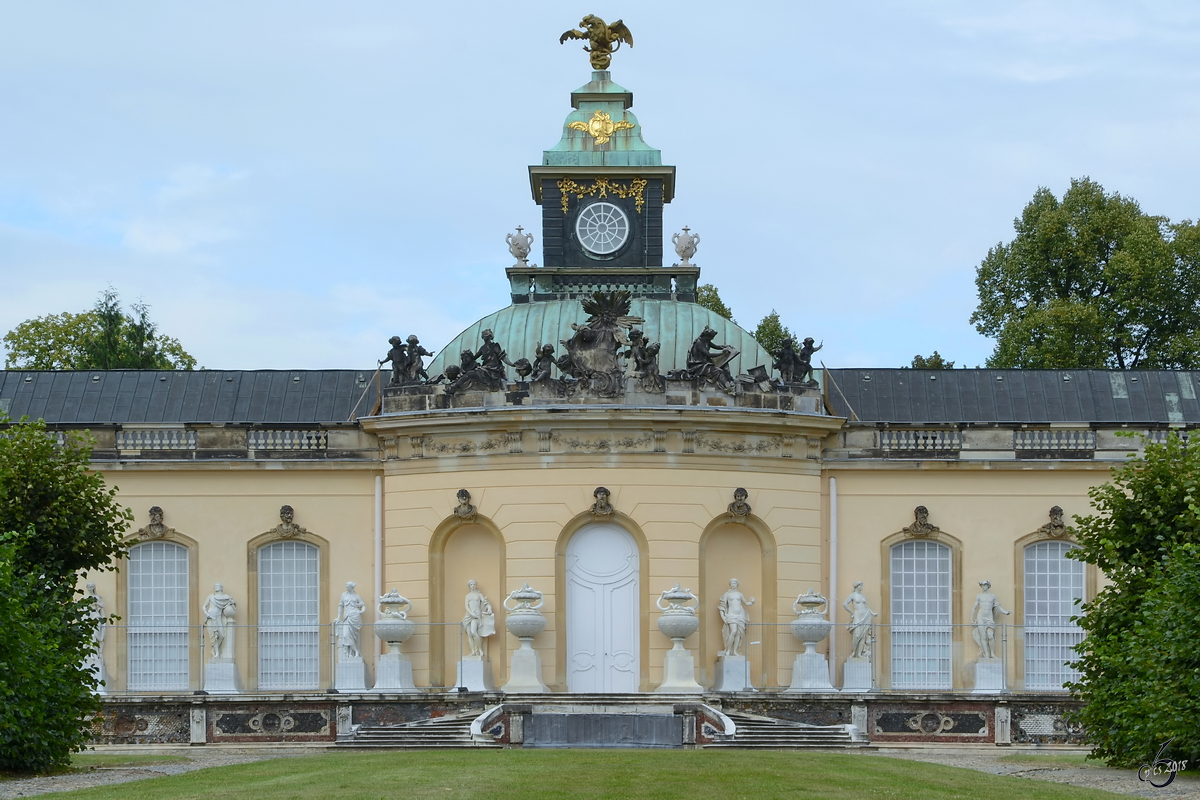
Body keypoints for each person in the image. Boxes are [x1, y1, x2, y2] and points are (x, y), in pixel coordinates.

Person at [971, 580, 1010, 660]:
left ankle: (992, 653)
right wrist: (971, 619)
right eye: (982, 585)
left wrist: (1005, 612)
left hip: (989, 617)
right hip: (981, 616)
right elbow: (974, 608)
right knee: (983, 636)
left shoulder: (992, 596)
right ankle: (987, 654)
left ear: (988, 586)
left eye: (984, 585)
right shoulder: (979, 596)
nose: (983, 587)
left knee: (990, 636)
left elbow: (997, 606)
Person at [717, 578, 756, 656]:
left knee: (738, 634)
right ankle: (728, 650)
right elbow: (722, 605)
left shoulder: (740, 594)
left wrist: (752, 602)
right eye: (732, 583)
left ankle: (735, 651)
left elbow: (746, 603)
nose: (733, 584)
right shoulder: (727, 594)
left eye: (734, 583)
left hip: (740, 616)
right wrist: (723, 616)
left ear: (737, 584)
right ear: (730, 584)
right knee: (733, 631)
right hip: (731, 615)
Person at [842, 582, 878, 660]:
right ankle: (853, 652)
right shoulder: (853, 595)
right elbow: (845, 604)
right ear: (856, 586)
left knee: (863, 636)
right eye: (860, 585)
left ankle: (859, 653)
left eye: (862, 585)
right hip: (857, 616)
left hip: (866, 616)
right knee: (857, 634)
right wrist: (852, 613)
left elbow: (866, 606)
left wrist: (872, 613)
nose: (862, 587)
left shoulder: (863, 596)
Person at [202, 583, 237, 659]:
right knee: (214, 636)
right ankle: (217, 653)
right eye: (214, 586)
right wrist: (206, 614)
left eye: (217, 586)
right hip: (210, 617)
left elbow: (232, 602)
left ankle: (215, 650)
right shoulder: (211, 596)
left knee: (222, 635)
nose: (215, 587)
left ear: (221, 588)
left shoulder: (225, 597)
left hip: (218, 617)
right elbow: (204, 606)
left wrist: (232, 604)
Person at [461, 579, 494, 658]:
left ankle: (480, 650)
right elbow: (466, 606)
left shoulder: (479, 594)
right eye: (471, 584)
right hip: (469, 616)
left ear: (476, 585)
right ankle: (473, 651)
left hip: (476, 616)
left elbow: (485, 602)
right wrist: (471, 613)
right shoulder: (467, 596)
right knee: (469, 634)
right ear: (469, 586)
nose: (473, 586)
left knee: (473, 632)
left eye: (474, 584)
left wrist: (489, 608)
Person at [336, 581, 366, 660]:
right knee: (346, 635)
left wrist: (361, 611)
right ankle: (356, 651)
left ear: (352, 587)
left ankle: (354, 653)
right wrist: (338, 617)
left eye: (348, 587)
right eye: (346, 586)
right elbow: (341, 606)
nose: (347, 588)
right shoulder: (344, 595)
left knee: (354, 637)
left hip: (355, 617)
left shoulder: (357, 596)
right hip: (347, 617)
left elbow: (363, 606)